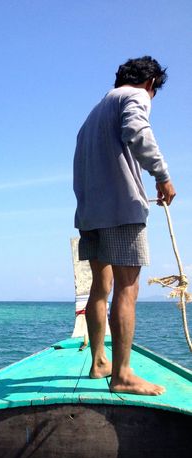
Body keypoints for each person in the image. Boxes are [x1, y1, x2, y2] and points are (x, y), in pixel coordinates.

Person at [73, 56, 176, 396]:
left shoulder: (91, 117)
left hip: (91, 214)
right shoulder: (136, 95)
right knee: (127, 288)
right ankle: (122, 374)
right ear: (150, 84)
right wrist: (161, 176)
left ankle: (99, 361)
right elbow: (136, 130)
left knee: (100, 288)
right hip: (120, 210)